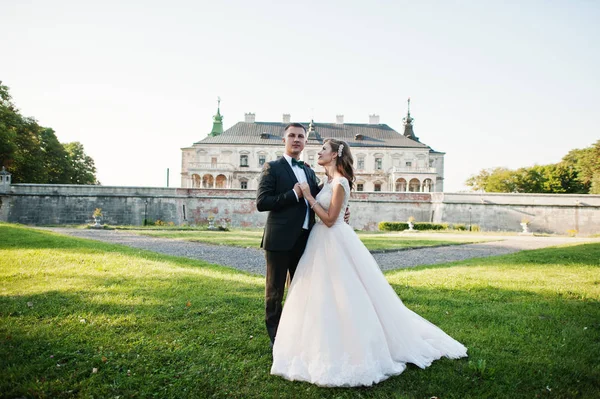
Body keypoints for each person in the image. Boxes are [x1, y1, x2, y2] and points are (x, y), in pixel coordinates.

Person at [270, 138, 468, 387]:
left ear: (334, 156)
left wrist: (309, 196)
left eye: (323, 150)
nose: (318, 153)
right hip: (321, 241)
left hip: (332, 239)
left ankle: (353, 344)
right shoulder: (328, 181)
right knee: (321, 293)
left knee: (344, 293)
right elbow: (334, 212)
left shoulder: (340, 181)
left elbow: (331, 220)